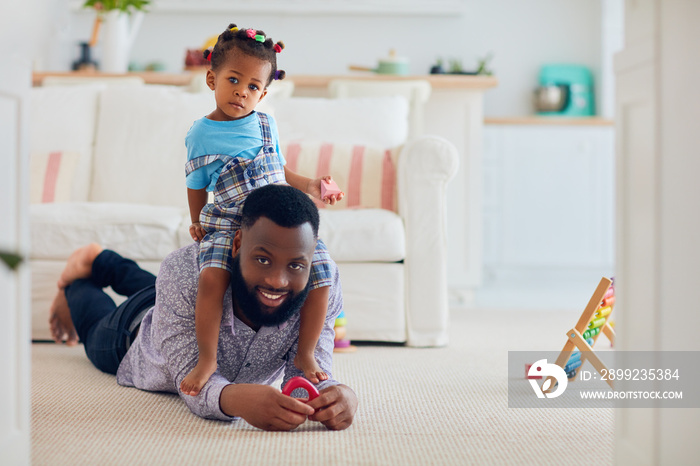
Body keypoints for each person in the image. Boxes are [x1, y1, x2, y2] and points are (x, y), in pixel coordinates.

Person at [48, 184, 358, 431]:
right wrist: (233, 399)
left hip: (174, 302)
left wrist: (339, 396)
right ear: (237, 244)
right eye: (262, 259)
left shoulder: (321, 286)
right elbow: (189, 377)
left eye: (295, 265)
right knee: (95, 326)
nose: (277, 280)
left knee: (163, 287)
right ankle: (79, 276)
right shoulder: (185, 272)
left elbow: (310, 369)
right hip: (133, 334)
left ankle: (104, 260)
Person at [183, 23, 344, 396]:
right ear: (211, 79)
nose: (242, 92)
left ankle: (305, 354)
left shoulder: (266, 125)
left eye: (253, 86)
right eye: (233, 80)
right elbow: (195, 183)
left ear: (264, 92)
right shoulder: (201, 134)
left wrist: (311, 185)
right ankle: (207, 358)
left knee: (323, 273)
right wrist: (196, 220)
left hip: (280, 226)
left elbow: (279, 171)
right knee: (210, 278)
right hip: (231, 222)